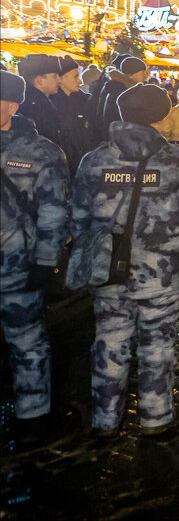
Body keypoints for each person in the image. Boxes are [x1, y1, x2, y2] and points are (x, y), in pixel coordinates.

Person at [67, 84, 179, 437]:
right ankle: (156, 418)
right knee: (158, 344)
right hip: (163, 272)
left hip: (108, 268)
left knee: (109, 341)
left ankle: (105, 419)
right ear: (161, 115)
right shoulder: (178, 161)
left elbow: (78, 218)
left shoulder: (94, 160)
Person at [0, 70, 70, 447]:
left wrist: (46, 261)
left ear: (13, 105)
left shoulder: (42, 152)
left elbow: (54, 211)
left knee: (27, 344)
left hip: (18, 268)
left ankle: (33, 415)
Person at [51, 55, 93, 174]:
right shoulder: (51, 105)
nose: (80, 81)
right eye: (76, 76)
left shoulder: (85, 101)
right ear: (61, 79)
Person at [16, 54, 63, 151]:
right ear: (39, 80)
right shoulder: (35, 106)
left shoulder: (35, 101)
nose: (59, 80)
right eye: (55, 76)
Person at [98, 57, 148, 132]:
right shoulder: (122, 92)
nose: (145, 76)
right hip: (121, 139)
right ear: (131, 74)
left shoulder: (120, 88)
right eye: (143, 72)